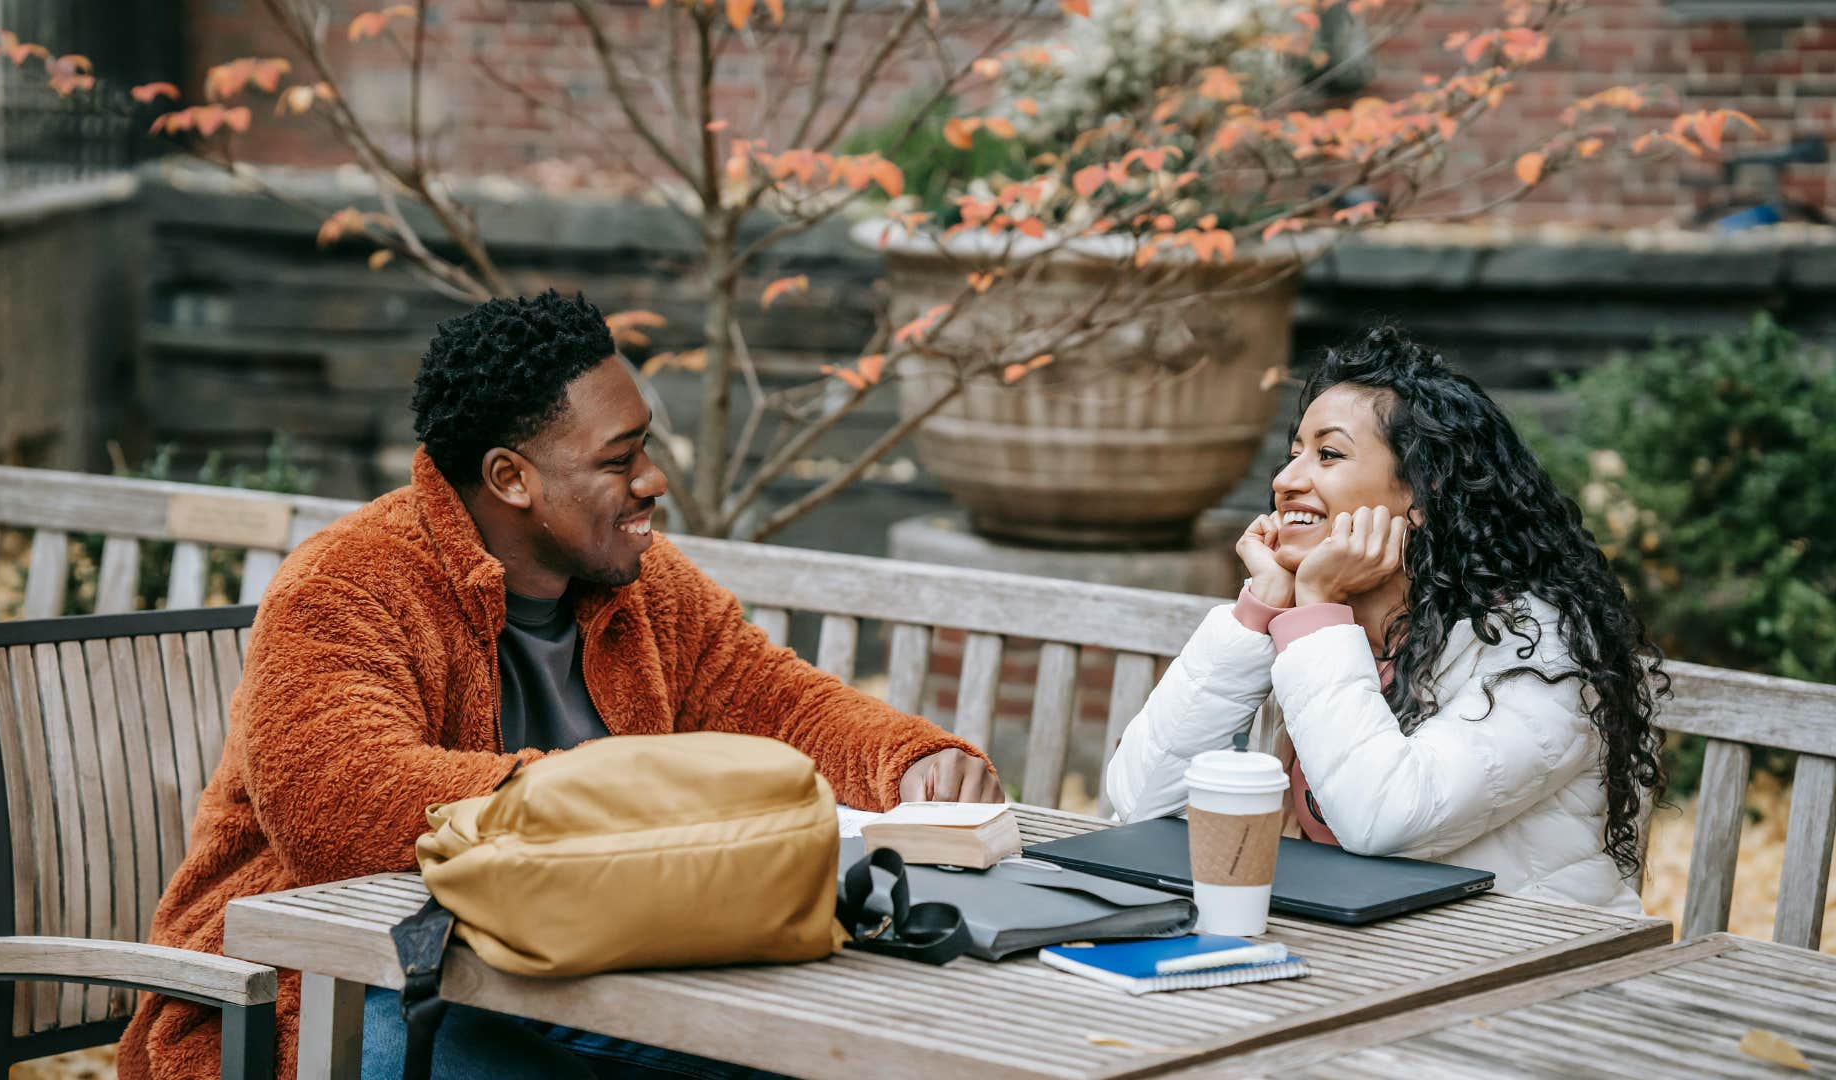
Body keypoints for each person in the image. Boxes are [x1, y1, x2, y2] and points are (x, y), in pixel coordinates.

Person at [119, 291, 1001, 1080]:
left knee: (821, 1055)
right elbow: (340, 800)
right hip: (328, 989)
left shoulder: (642, 586)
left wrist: (909, 756)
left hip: (576, 978)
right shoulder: (348, 585)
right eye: (620, 460)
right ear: (512, 478)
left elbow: (781, 701)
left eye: (647, 446)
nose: (653, 481)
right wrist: (603, 797)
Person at [1104, 326, 1667, 914]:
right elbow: (1138, 803)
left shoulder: (1537, 647)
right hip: (1354, 954)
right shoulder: (1298, 629)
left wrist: (1317, 608)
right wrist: (1258, 609)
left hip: (1519, 970)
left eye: (1328, 454)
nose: (1286, 480)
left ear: (1423, 494)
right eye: (1293, 452)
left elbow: (1383, 818)